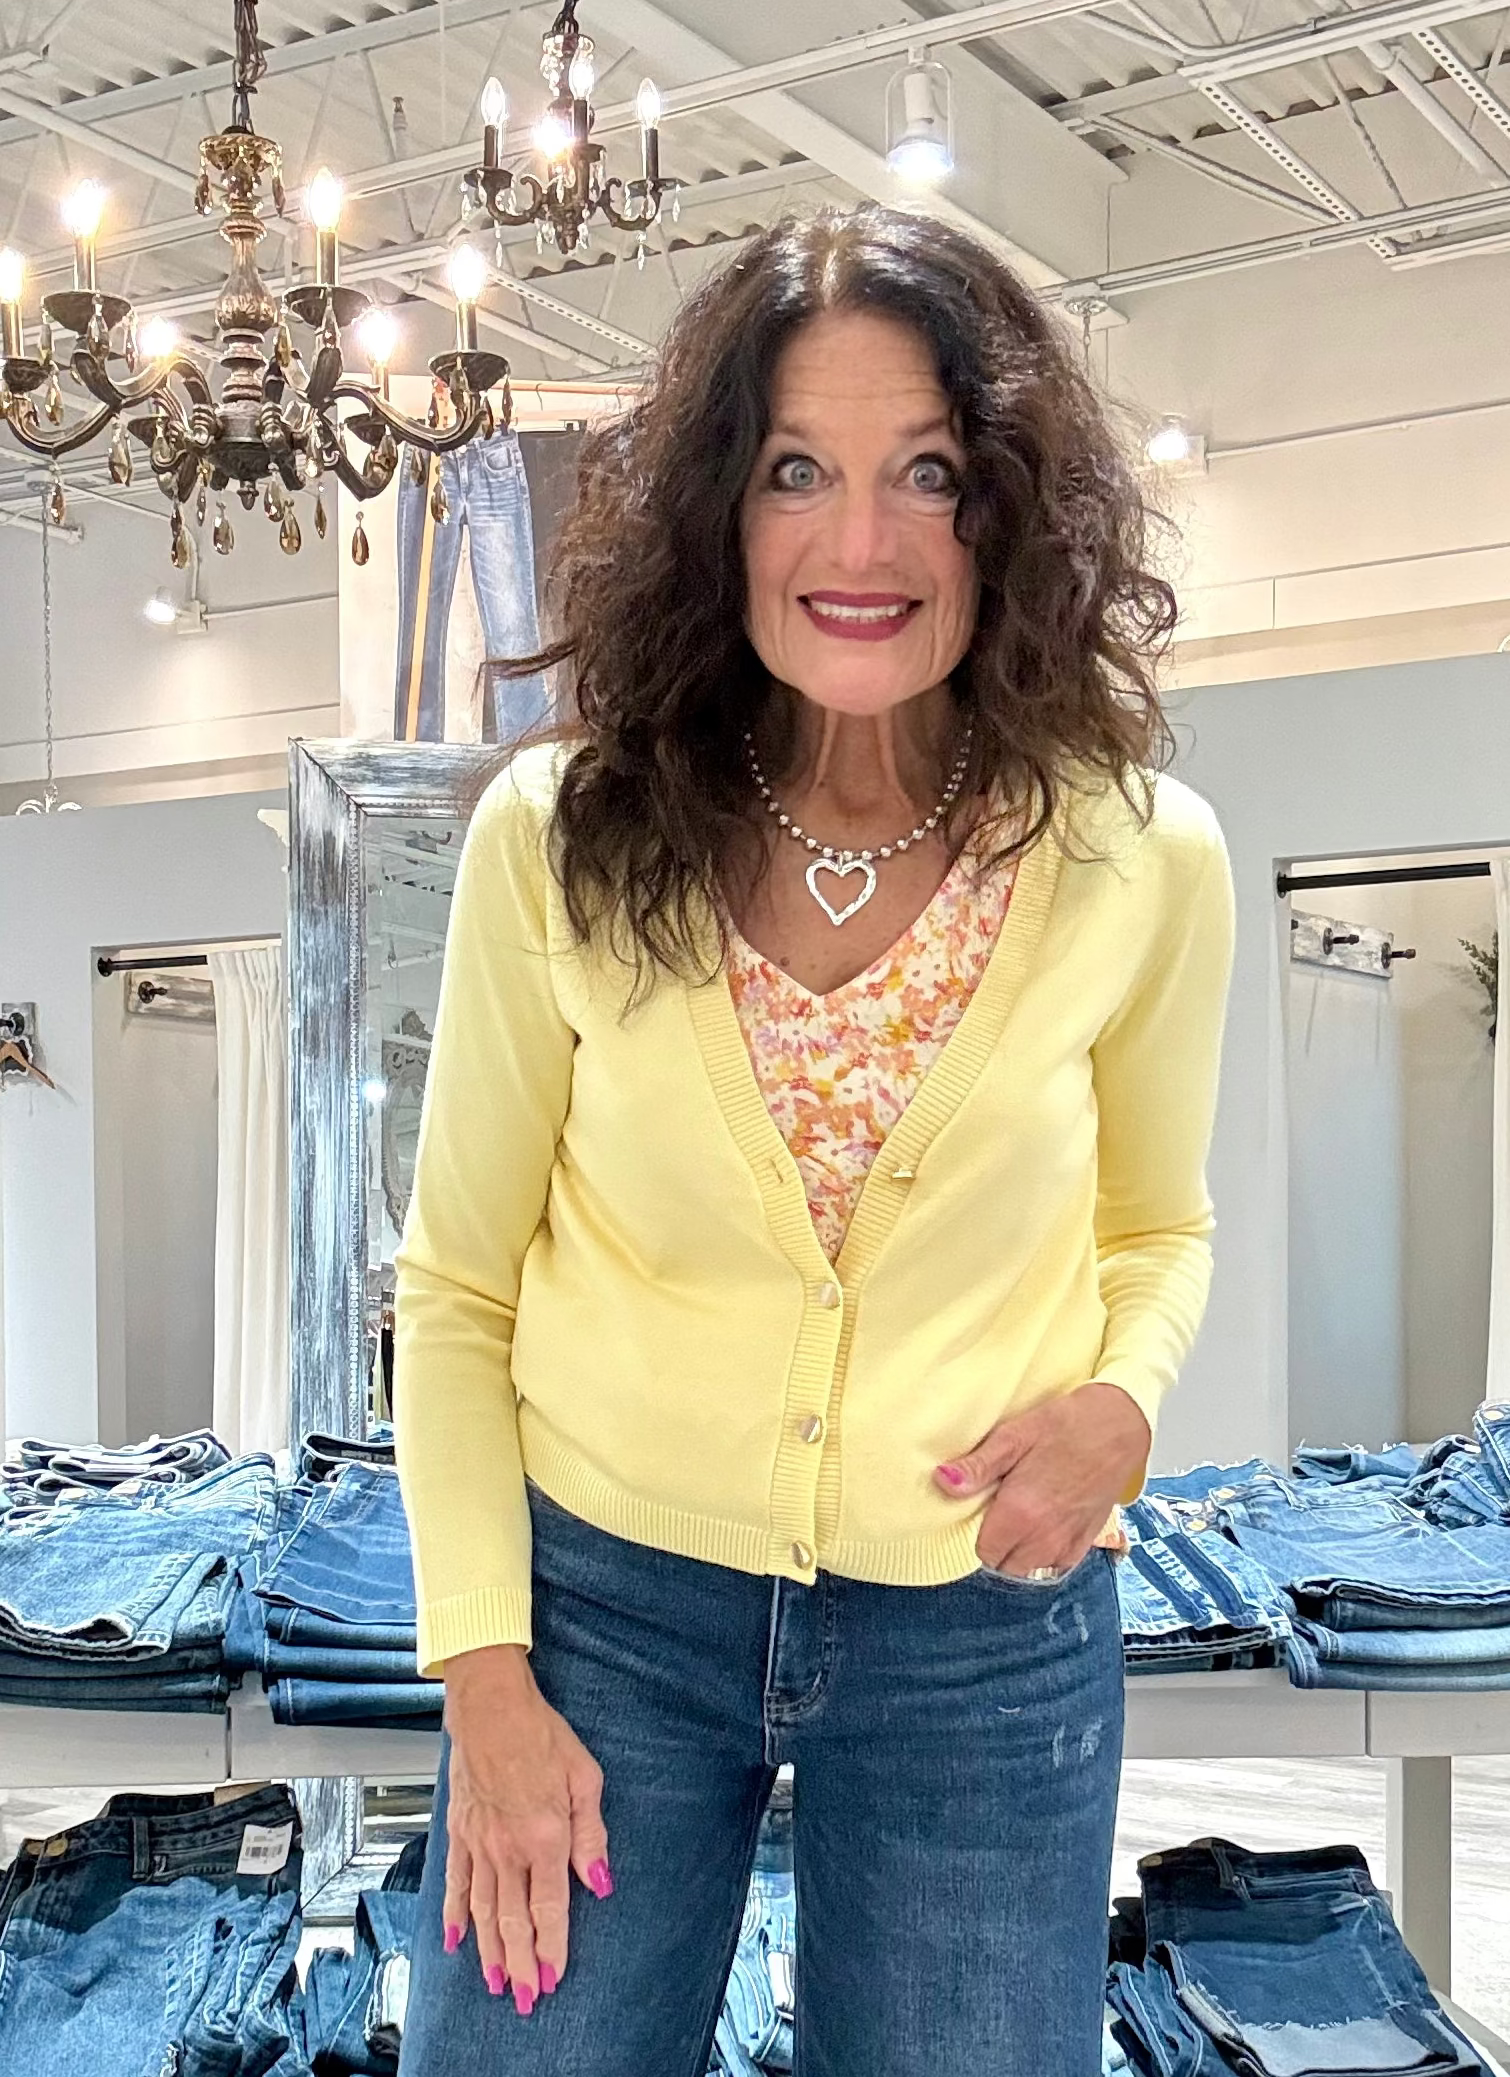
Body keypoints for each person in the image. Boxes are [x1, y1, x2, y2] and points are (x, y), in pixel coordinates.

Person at [393, 202, 1235, 2076]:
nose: (860, 546)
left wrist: (1124, 1405)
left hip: (981, 1637)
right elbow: (454, 1291)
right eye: (795, 471)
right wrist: (484, 1682)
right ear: (718, 511)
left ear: (1008, 510)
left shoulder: (1139, 856)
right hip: (602, 1615)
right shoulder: (560, 837)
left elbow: (1155, 1230)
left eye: (926, 472)